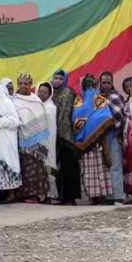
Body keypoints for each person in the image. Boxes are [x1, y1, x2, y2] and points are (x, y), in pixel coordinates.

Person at [72, 74, 114, 205]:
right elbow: (104, 118)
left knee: (90, 170)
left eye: (90, 85)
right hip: (98, 141)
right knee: (98, 169)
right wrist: (95, 126)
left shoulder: (80, 101)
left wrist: (88, 127)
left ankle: (96, 197)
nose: (89, 87)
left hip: (88, 142)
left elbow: (77, 119)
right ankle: (99, 196)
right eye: (88, 85)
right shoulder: (99, 100)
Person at [13, 73, 50, 203]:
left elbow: (43, 120)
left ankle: (40, 195)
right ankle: (28, 194)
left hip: (38, 141)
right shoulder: (14, 100)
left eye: (26, 83)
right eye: (21, 83)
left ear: (30, 85)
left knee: (38, 168)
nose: (23, 86)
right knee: (25, 167)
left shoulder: (36, 100)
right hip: (22, 140)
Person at [0, 80, 22, 202]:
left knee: (8, 162)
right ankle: (2, 192)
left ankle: (11, 193)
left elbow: (16, 122)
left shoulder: (6, 102)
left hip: (6, 139)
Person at [51, 69, 81, 205]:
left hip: (67, 135)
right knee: (58, 168)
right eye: (55, 78)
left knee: (69, 167)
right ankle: (62, 196)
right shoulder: (51, 94)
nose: (57, 80)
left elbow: (65, 113)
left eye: (60, 78)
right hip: (54, 135)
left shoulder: (68, 92)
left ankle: (71, 197)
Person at [98, 72, 126, 202]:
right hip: (99, 137)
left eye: (108, 82)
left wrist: (110, 124)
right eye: (103, 82)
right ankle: (107, 196)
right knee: (103, 167)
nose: (106, 85)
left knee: (115, 165)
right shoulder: (96, 98)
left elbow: (120, 116)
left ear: (112, 83)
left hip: (113, 135)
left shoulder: (116, 97)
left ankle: (118, 195)